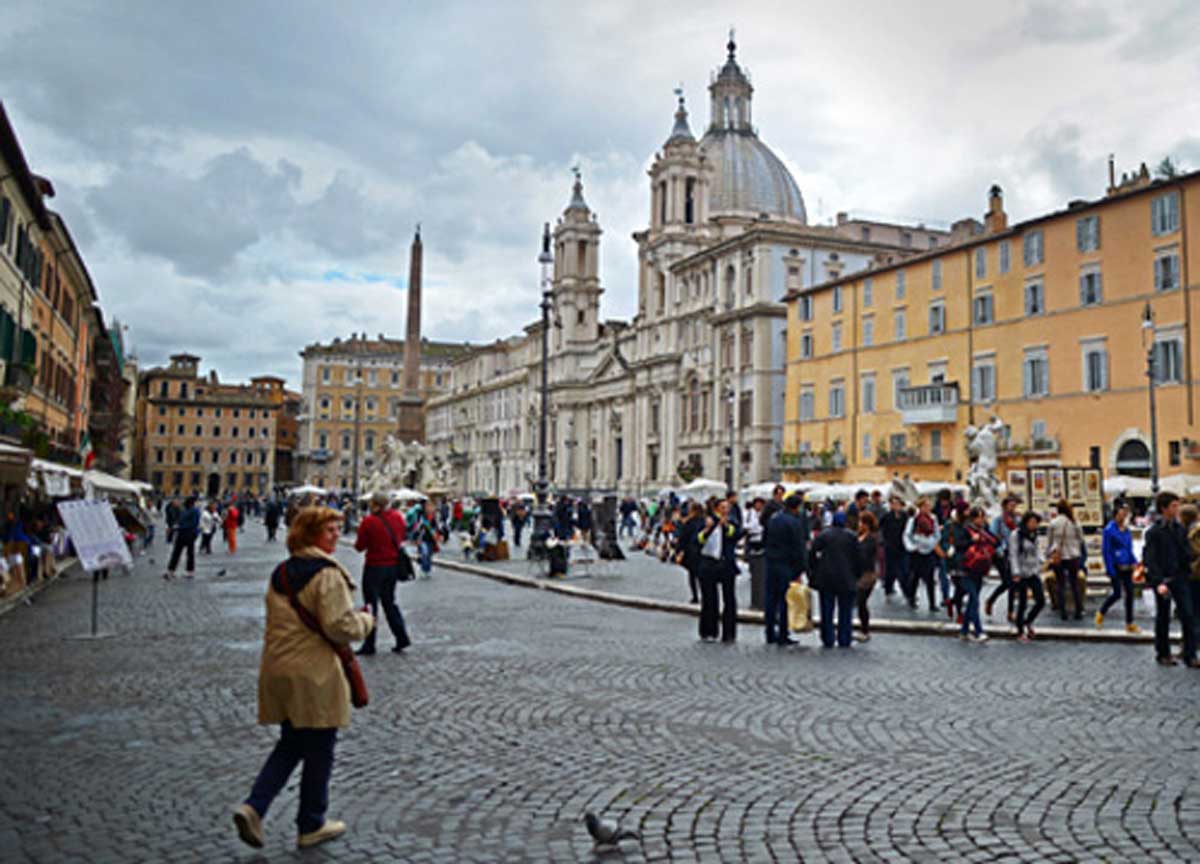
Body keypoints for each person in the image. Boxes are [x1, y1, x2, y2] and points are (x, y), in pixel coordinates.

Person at [233, 506, 374, 850]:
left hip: (280, 667)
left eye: (338, 528)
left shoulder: (281, 573)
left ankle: (255, 806)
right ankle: (311, 822)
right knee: (321, 747)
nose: (336, 535)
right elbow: (338, 627)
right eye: (329, 530)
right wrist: (366, 622)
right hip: (314, 672)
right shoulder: (326, 575)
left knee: (293, 741)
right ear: (311, 534)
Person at [1142, 491, 1198, 667]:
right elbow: (1150, 559)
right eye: (1174, 506)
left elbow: (1185, 551)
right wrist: (1158, 582)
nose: (1177, 509)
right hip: (1164, 579)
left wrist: (1188, 562)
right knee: (1163, 617)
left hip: (1180, 577)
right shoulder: (1154, 532)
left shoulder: (1179, 529)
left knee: (1188, 616)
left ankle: (1190, 655)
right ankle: (1163, 653)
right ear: (1164, 508)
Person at [352, 493, 412, 656]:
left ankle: (370, 643)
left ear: (375, 505)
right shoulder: (398, 518)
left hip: (374, 566)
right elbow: (401, 537)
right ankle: (401, 637)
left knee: (371, 605)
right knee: (389, 602)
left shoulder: (369, 521)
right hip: (392, 566)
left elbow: (359, 546)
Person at [695, 499, 743, 643]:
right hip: (708, 563)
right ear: (716, 508)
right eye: (722, 507)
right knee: (709, 599)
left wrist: (726, 526)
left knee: (729, 600)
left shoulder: (732, 521)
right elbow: (697, 540)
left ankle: (729, 634)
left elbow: (736, 535)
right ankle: (709, 631)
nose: (725, 510)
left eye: (727, 507)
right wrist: (707, 529)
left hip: (726, 564)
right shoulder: (707, 521)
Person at [763, 494, 808, 646]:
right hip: (786, 564)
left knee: (770, 599)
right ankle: (783, 633)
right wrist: (801, 569)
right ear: (796, 507)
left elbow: (765, 539)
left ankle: (769, 632)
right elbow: (798, 547)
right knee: (785, 600)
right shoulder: (794, 522)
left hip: (771, 562)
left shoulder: (773, 519)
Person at [810, 511, 858, 648]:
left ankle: (828, 637)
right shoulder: (852, 537)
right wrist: (856, 574)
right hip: (846, 577)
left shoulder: (823, 535)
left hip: (826, 577)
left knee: (826, 610)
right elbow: (858, 558)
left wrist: (814, 570)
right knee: (845, 611)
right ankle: (844, 638)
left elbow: (812, 553)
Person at [1098, 502, 1139, 633]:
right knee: (1117, 594)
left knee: (1130, 594)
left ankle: (1129, 622)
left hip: (1127, 565)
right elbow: (1106, 551)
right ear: (1116, 514)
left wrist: (1134, 561)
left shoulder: (1126, 530)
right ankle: (1101, 612)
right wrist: (1110, 569)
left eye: (1126, 513)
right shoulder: (1109, 530)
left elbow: (1129, 548)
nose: (1124, 515)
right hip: (1116, 565)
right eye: (1122, 512)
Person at [958, 507, 996, 643]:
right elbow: (959, 545)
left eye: (983, 517)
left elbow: (994, 541)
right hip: (966, 569)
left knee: (972, 602)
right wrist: (972, 540)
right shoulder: (965, 530)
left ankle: (964, 631)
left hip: (979, 569)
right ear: (973, 519)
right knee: (974, 600)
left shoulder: (985, 530)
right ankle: (979, 631)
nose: (981, 520)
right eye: (979, 517)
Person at [1046, 498, 1085, 621]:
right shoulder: (1074, 522)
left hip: (1059, 557)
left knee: (1060, 584)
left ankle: (1063, 612)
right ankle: (1078, 610)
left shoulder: (1053, 523)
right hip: (1073, 556)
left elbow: (1050, 541)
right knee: (1074, 584)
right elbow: (1081, 539)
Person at [1010, 512, 1045, 643]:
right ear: (1026, 522)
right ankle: (1020, 631)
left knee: (1040, 600)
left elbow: (1037, 551)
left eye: (1036, 522)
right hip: (1020, 572)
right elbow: (1013, 554)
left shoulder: (1034, 534)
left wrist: (1042, 561)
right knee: (1022, 603)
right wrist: (1015, 573)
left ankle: (1028, 621)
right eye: (1032, 522)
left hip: (1033, 571)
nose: (1034, 525)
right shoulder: (1016, 535)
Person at [984, 495, 1020, 622]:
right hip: (1000, 554)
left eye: (1014, 505)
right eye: (1011, 505)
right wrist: (1000, 549)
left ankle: (1009, 611)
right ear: (1005, 507)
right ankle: (992, 601)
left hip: (1013, 553)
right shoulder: (998, 520)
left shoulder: (1017, 520)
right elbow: (992, 537)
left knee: (1012, 583)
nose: (1013, 508)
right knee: (1008, 582)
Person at [903, 497, 939, 611]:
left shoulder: (933, 518)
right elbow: (907, 534)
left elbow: (937, 534)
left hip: (929, 551)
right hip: (917, 551)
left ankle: (932, 603)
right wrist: (911, 547)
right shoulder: (914, 519)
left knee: (930, 578)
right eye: (926, 506)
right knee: (915, 576)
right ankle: (912, 598)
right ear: (920, 507)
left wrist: (933, 543)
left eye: (929, 506)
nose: (928, 508)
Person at [855, 511, 879, 641]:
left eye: (861, 522)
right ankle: (863, 629)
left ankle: (865, 630)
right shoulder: (860, 536)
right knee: (860, 602)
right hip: (859, 573)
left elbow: (866, 556)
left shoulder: (871, 539)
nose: (859, 524)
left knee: (861, 602)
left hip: (867, 574)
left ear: (867, 524)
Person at [675, 502, 705, 604]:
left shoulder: (689, 522)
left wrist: (678, 551)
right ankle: (704, 595)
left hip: (691, 551)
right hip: (702, 551)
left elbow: (683, 538)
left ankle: (695, 596)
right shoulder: (705, 522)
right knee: (702, 576)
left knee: (692, 575)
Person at [164, 496, 200, 580]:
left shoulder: (191, 510)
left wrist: (178, 527)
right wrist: (176, 526)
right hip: (184, 534)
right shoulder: (188, 510)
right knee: (180, 552)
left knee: (185, 553)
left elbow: (193, 524)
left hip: (187, 534)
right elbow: (188, 522)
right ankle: (173, 571)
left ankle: (186, 572)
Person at [880, 497, 909, 597]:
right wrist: (883, 541)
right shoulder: (887, 516)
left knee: (904, 570)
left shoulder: (905, 516)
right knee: (890, 569)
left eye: (898, 504)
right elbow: (880, 528)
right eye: (894, 504)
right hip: (890, 547)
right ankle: (888, 588)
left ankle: (907, 591)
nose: (896, 506)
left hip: (902, 546)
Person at [411, 501, 438, 578]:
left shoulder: (433, 517)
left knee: (429, 555)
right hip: (422, 539)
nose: (430, 508)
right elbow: (417, 528)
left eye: (431, 506)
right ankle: (424, 569)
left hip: (431, 539)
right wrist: (416, 538)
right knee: (425, 553)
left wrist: (440, 534)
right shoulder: (420, 517)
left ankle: (427, 570)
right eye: (428, 506)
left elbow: (436, 527)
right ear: (424, 508)